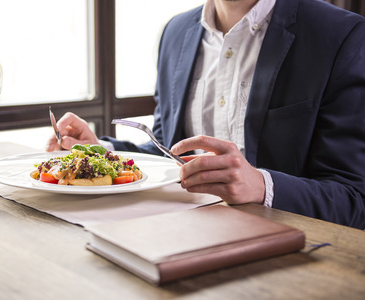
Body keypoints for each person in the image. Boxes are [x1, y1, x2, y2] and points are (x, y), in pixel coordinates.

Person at [47, 0, 365, 229]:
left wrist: (261, 185)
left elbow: (354, 200)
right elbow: (172, 153)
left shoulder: (341, 36)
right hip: (177, 235)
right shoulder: (175, 31)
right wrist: (105, 153)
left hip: (286, 253)